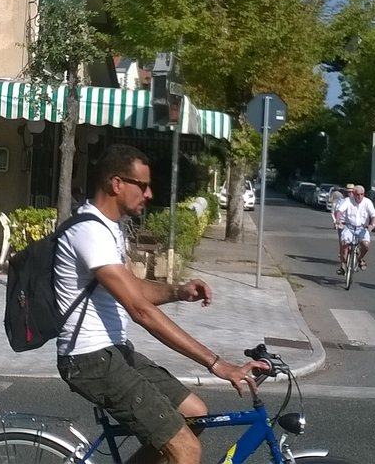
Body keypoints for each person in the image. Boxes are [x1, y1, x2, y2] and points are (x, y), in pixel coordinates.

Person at [55, 144, 268, 464]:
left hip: (114, 351)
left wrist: (178, 292)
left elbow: (133, 287)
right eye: (142, 185)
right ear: (117, 184)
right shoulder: (89, 231)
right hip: (89, 358)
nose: (149, 193)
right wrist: (216, 363)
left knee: (195, 415)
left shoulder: (109, 228)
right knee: (185, 450)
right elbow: (140, 310)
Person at [334, 184, 375, 273]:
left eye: (362, 194)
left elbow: (374, 215)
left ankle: (359, 259)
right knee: (344, 244)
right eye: (357, 194)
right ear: (353, 194)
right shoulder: (347, 201)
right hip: (349, 227)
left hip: (362, 228)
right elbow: (339, 211)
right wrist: (338, 220)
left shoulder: (367, 202)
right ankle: (343, 264)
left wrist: (372, 224)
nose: (359, 196)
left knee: (366, 245)